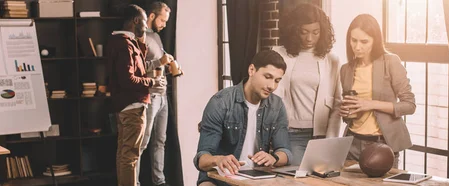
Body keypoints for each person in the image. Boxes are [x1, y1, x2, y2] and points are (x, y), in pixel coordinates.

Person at [194, 50, 292, 186]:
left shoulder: (277, 106)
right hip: (219, 179)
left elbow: (285, 151)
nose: (272, 86)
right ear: (252, 70)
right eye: (267, 77)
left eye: (277, 80)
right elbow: (201, 159)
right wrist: (218, 160)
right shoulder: (220, 102)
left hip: (257, 178)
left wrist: (273, 158)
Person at [339, 14, 416, 168]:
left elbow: (410, 105)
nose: (357, 46)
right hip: (352, 143)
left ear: (375, 40)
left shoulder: (391, 62)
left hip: (382, 145)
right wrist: (345, 112)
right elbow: (352, 114)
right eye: (353, 40)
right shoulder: (346, 69)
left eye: (364, 41)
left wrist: (371, 104)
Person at [272, 3, 343, 165]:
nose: (309, 38)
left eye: (315, 33)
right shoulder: (279, 54)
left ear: (322, 32)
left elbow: (337, 104)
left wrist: (331, 139)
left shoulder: (331, 60)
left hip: (322, 135)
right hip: (291, 133)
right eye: (304, 32)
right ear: (294, 31)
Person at [105, 4, 161, 186]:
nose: (146, 26)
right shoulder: (124, 44)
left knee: (124, 154)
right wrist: (153, 82)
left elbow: (139, 67)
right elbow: (128, 80)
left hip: (124, 107)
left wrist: (142, 43)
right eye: (144, 23)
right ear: (136, 21)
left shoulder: (123, 42)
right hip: (133, 107)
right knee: (130, 156)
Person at [136, 2, 181, 186]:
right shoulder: (139, 37)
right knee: (142, 143)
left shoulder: (156, 37)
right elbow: (136, 69)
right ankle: (134, 182)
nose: (164, 24)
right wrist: (159, 62)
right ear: (152, 16)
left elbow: (158, 64)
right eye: (162, 20)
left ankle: (159, 181)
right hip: (149, 96)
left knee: (160, 141)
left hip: (162, 96)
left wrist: (169, 67)